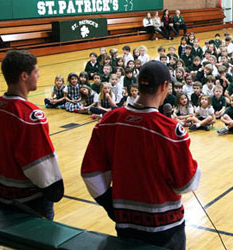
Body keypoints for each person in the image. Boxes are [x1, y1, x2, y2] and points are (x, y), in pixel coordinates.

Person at [81, 60, 200, 249]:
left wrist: (110, 205)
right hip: (166, 226)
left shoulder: (109, 121)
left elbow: (90, 173)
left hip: (126, 222)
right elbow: (186, 184)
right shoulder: (169, 130)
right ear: (164, 86)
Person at [0, 50, 64, 220]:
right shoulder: (29, 115)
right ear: (24, 76)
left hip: (1, 195)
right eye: (36, 72)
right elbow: (40, 164)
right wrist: (54, 190)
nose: (38, 75)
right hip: (30, 201)